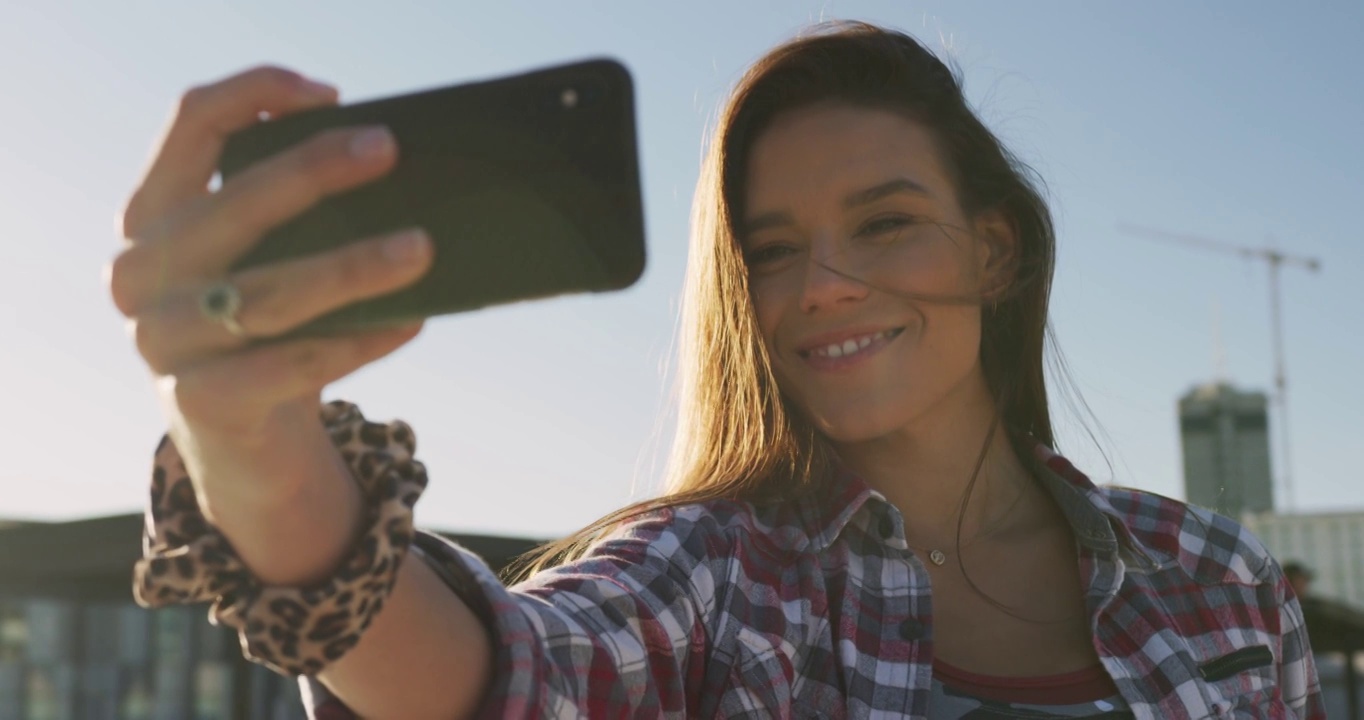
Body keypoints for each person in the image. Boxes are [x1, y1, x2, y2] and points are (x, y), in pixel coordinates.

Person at [110, 21, 1324, 719]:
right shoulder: (717, 575)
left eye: (886, 220)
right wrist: (257, 452)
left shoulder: (1215, 582)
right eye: (772, 249)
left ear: (993, 248)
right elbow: (497, 678)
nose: (822, 284)